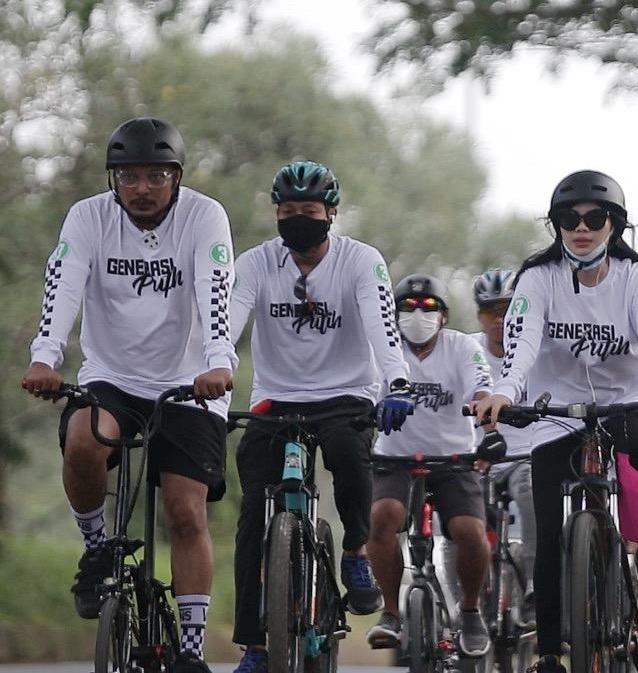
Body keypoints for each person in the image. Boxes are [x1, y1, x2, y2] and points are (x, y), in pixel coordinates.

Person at [469, 171, 638, 673]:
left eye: (594, 218)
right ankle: (552, 652)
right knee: (548, 528)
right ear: (555, 224)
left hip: (629, 398)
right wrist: (503, 392)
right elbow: (520, 349)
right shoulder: (536, 278)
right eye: (568, 218)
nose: (581, 228)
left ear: (613, 225)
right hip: (558, 407)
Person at [20, 117, 236, 673]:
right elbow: (63, 282)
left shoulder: (204, 216)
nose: (142, 188)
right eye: (129, 176)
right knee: (83, 441)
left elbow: (216, 295)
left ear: (178, 177)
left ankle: (189, 648)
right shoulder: (88, 216)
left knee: (186, 512)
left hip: (190, 383)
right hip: (112, 377)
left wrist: (218, 363)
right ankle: (95, 548)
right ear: (113, 179)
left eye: (156, 176)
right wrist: (45, 357)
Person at [226, 161, 414, 673]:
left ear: (331, 212)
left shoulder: (360, 261)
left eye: (308, 211)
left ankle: (355, 551)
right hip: (275, 398)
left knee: (350, 457)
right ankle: (255, 645)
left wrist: (395, 383)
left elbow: (382, 326)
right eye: (287, 212)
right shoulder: (257, 263)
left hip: (345, 392)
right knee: (251, 517)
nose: (297, 220)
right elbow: (228, 325)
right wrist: (212, 377)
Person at [366, 274, 503, 656]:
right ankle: (390, 613)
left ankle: (471, 611)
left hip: (453, 460)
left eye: (428, 308)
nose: (417, 314)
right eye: (408, 308)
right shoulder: (385, 351)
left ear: (443, 316)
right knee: (382, 517)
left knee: (470, 532)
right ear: (394, 315)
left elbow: (482, 390)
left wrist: (489, 430)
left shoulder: (461, 347)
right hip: (394, 460)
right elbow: (364, 390)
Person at [470, 267, 537, 616]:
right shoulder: (467, 349)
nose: (499, 320)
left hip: (526, 454)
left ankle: (534, 584)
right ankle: (464, 605)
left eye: (508, 310)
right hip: (481, 458)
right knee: (462, 514)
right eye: (489, 312)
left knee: (531, 488)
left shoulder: (537, 350)